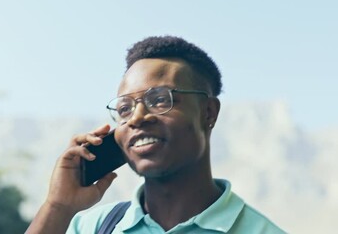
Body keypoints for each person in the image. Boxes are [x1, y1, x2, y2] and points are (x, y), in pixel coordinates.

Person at [26, 36, 285, 233]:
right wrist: (58, 207)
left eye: (160, 100)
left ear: (208, 112)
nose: (137, 118)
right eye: (124, 108)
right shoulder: (94, 227)